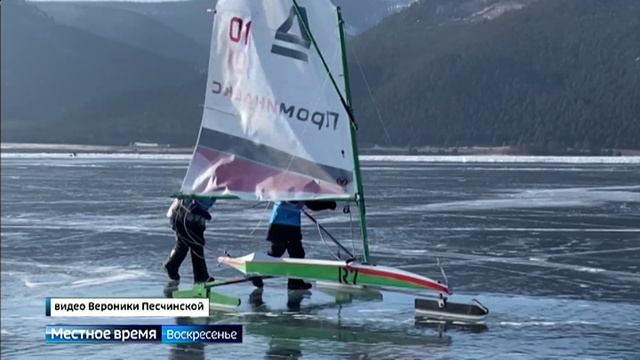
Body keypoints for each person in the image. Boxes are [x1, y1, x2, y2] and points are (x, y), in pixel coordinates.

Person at [253, 200, 336, 290]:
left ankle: (294, 281)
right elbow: (310, 204)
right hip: (282, 224)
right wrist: (329, 204)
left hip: (290, 224)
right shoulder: (286, 189)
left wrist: (328, 203)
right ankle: (255, 270)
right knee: (283, 252)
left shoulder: (299, 190)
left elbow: (311, 204)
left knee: (295, 254)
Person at [163, 198, 216, 285]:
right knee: (186, 246)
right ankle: (172, 266)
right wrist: (198, 210)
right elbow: (191, 202)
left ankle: (200, 276)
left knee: (195, 246)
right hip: (182, 217)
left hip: (195, 220)